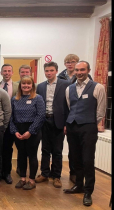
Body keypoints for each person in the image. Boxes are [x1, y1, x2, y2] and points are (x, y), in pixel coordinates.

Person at [63, 61, 106, 206]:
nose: (79, 72)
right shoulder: (69, 88)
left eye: (82, 70)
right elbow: (71, 106)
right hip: (72, 127)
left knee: (88, 160)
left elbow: (100, 111)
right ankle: (79, 185)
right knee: (75, 159)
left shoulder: (98, 87)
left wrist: (90, 123)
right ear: (74, 71)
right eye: (77, 70)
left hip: (88, 127)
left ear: (88, 70)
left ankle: (88, 191)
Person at [57, 54, 93, 184]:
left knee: (82, 155)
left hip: (85, 123)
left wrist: (93, 121)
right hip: (69, 120)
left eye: (73, 62)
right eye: (68, 62)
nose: (70, 64)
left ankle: (77, 176)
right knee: (72, 150)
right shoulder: (60, 77)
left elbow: (98, 108)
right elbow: (66, 104)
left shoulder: (90, 82)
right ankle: (69, 177)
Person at [35, 61, 70, 188]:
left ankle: (56, 176)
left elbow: (69, 105)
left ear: (56, 71)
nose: (49, 73)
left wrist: (67, 123)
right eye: (47, 71)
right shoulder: (40, 86)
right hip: (44, 121)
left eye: (51, 71)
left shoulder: (66, 84)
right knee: (45, 149)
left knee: (57, 150)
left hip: (59, 121)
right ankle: (44, 173)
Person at [10, 76, 45, 190]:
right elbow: (11, 117)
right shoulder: (15, 99)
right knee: (21, 155)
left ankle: (32, 180)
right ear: (20, 85)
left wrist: (30, 131)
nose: (26, 86)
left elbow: (41, 116)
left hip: (33, 130)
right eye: (23, 84)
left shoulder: (37, 98)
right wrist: (15, 131)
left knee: (32, 155)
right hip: (18, 130)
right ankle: (23, 178)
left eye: (28, 84)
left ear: (32, 85)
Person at [0, 64, 19, 184]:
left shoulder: (18, 86)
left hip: (13, 122)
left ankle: (7, 173)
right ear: (1, 72)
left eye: (9, 71)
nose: (6, 73)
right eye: (4, 71)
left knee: (8, 149)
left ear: (12, 72)